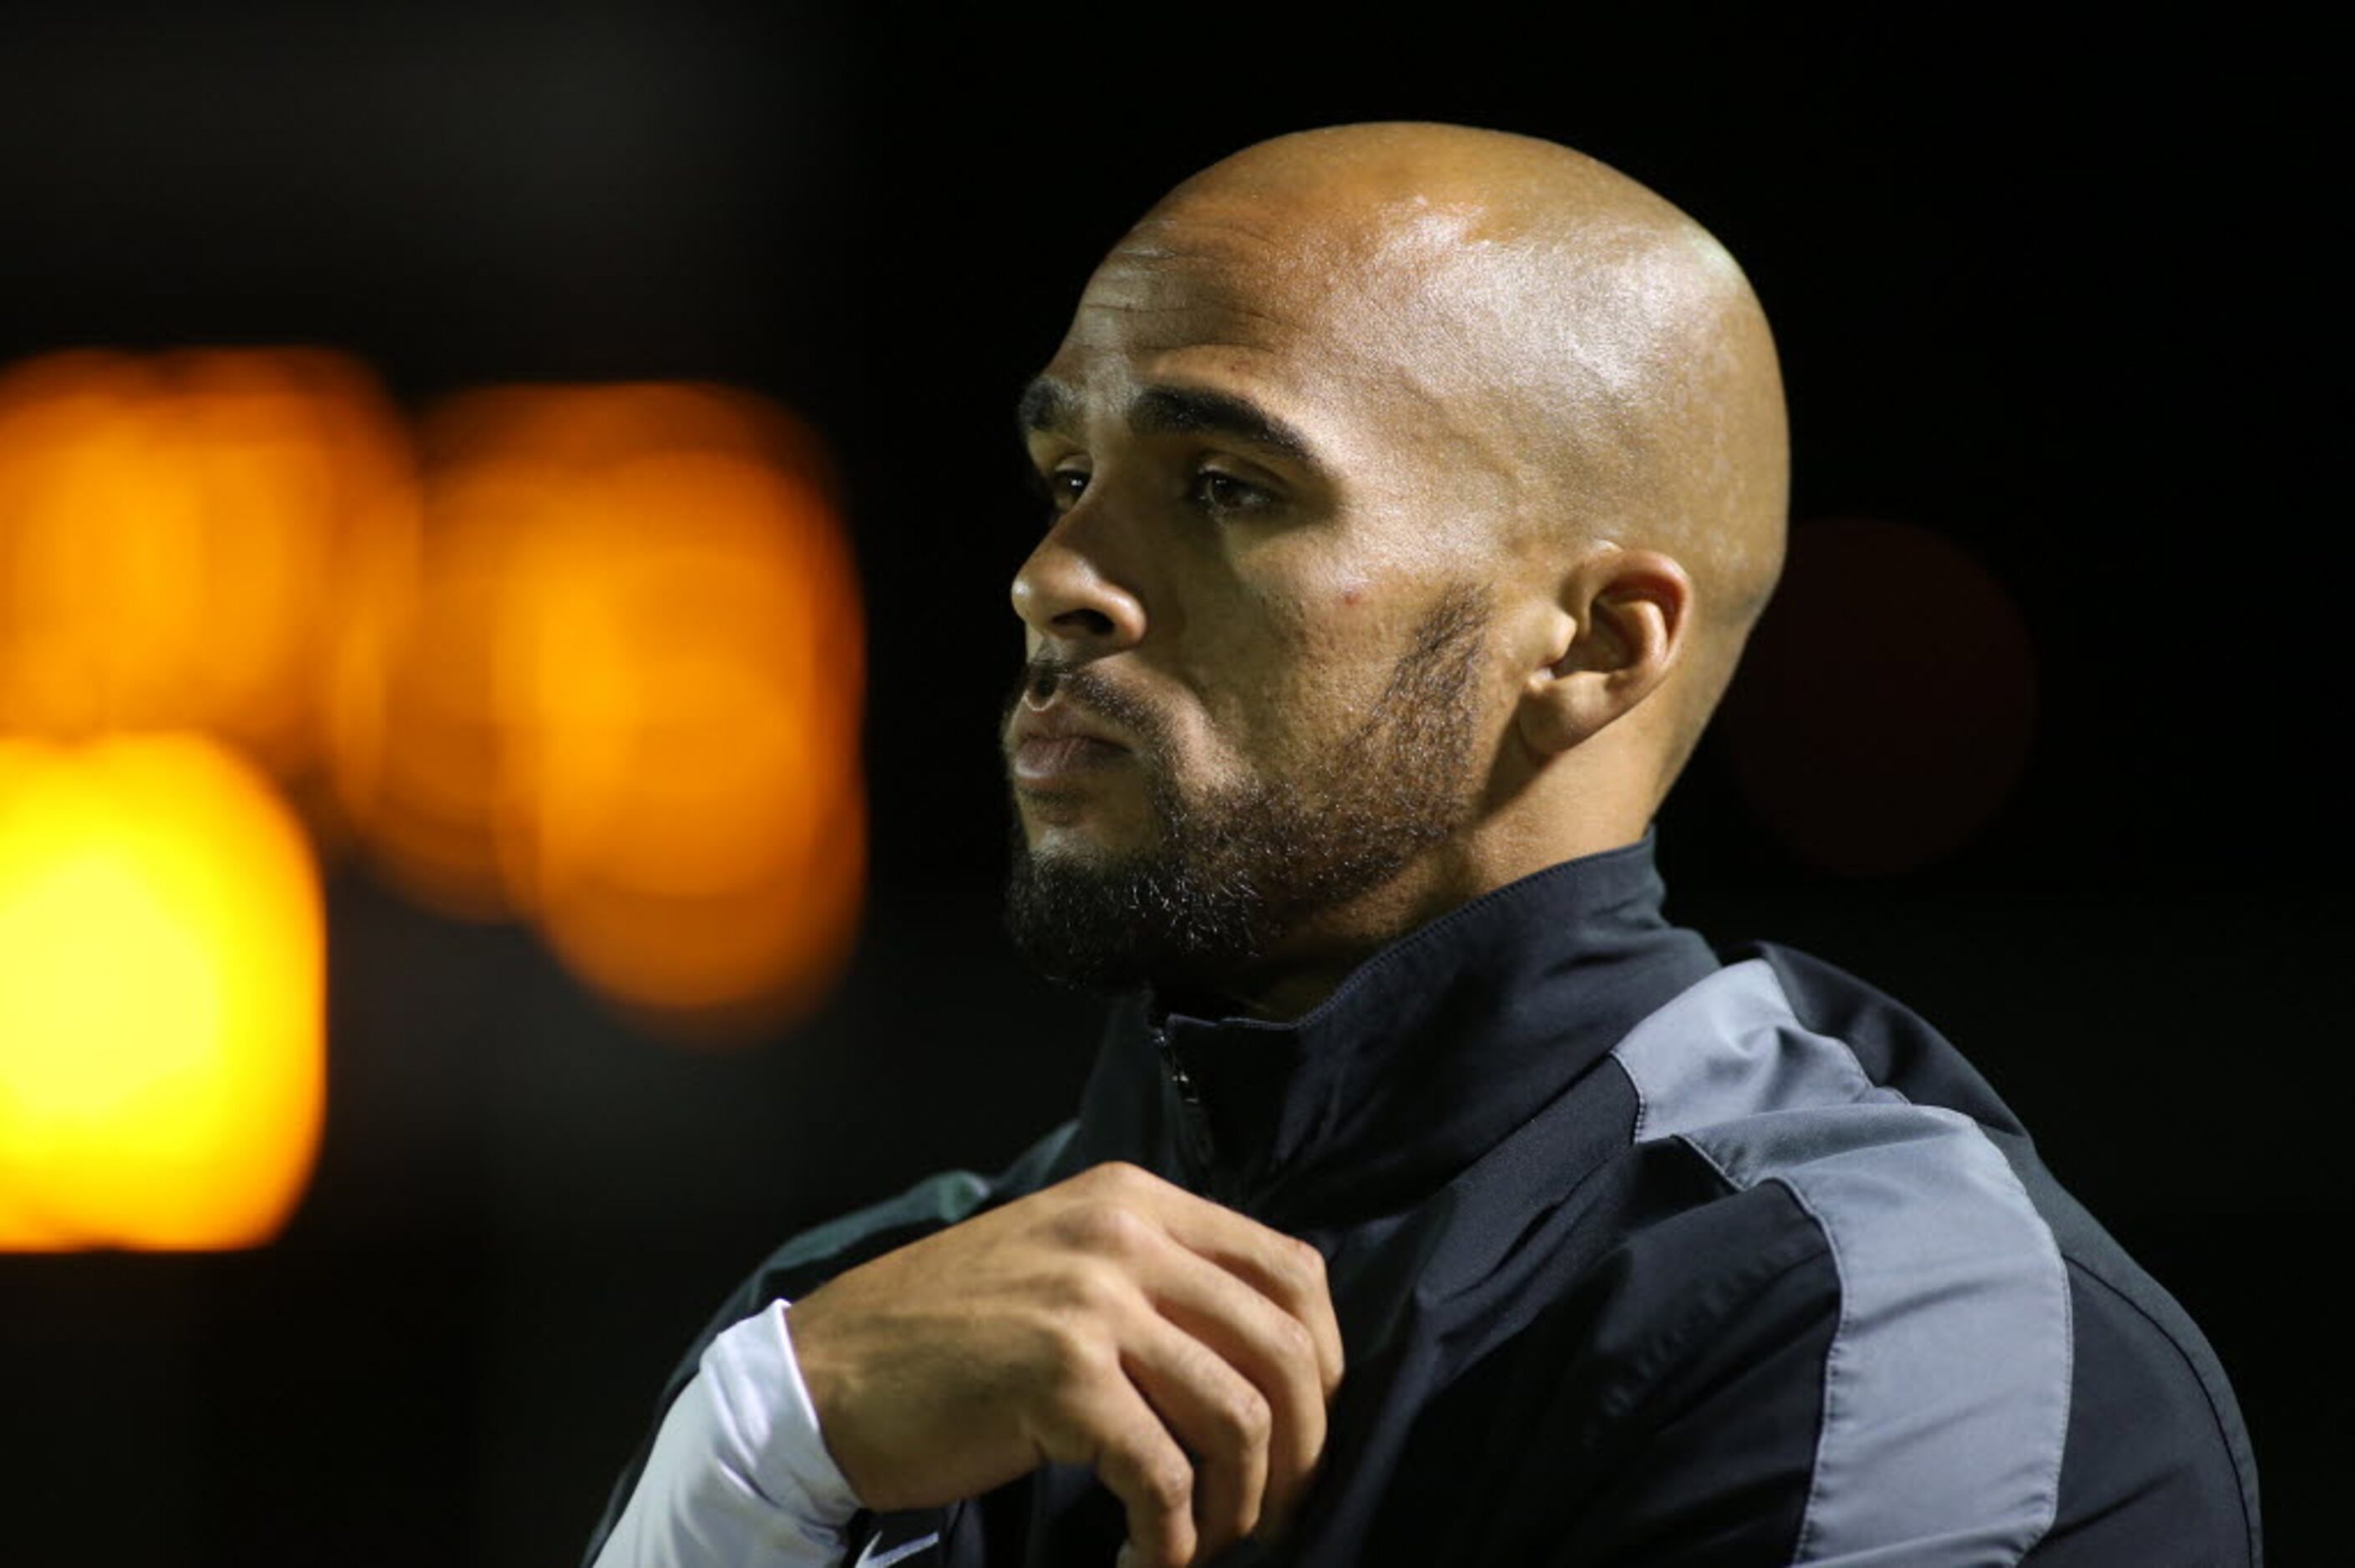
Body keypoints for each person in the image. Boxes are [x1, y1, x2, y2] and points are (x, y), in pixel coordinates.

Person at [584, 123, 2260, 1566]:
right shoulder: (849, 1340)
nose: (1055, 575)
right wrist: (744, 1469)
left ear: (1601, 643)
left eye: (1227, 484)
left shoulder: (1870, 1322)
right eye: (1066, 472)